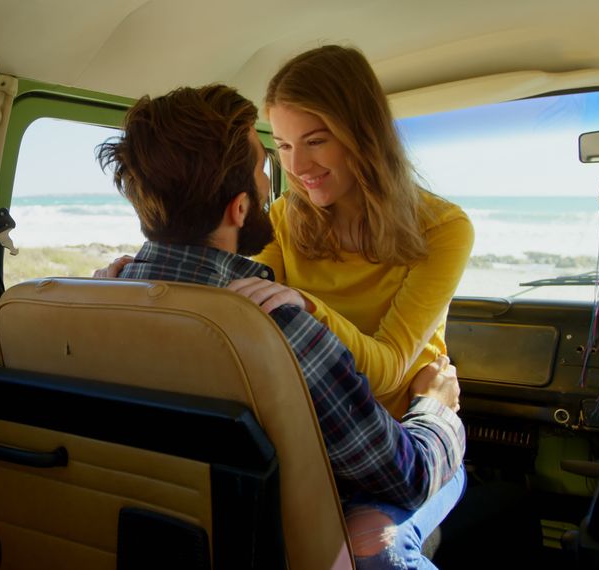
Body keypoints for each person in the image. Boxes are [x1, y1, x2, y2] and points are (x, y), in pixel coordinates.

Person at [96, 83, 465, 569]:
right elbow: (406, 477)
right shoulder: (281, 331)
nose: (280, 180)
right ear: (240, 208)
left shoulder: (97, 298)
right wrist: (436, 410)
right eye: (265, 165)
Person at [98, 45, 475, 421]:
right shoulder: (283, 216)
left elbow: (387, 371)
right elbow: (247, 310)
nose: (297, 166)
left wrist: (308, 307)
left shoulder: (444, 229)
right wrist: (133, 291)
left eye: (315, 141)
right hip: (304, 420)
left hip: (404, 426)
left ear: (363, 136)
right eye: (283, 146)